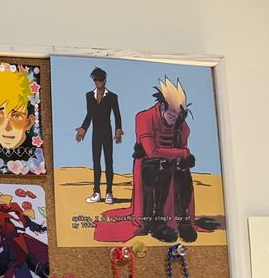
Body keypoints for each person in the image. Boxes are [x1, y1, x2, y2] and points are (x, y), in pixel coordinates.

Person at [95, 77, 216, 243]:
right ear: (162, 106)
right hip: (148, 163)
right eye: (172, 114)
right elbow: (152, 151)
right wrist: (182, 153)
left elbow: (183, 148)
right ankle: (156, 223)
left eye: (178, 115)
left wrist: (182, 157)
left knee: (183, 175)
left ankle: (182, 221)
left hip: (171, 163)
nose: (174, 118)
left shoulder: (181, 124)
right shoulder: (144, 118)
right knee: (156, 174)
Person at [75, 67, 124, 205]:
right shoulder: (89, 96)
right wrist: (83, 129)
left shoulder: (112, 96)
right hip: (95, 133)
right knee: (96, 162)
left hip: (107, 132)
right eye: (96, 80)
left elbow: (117, 114)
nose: (97, 82)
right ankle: (96, 192)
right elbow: (89, 114)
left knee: (109, 162)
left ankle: (109, 192)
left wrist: (118, 130)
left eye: (100, 80)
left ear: (104, 80)